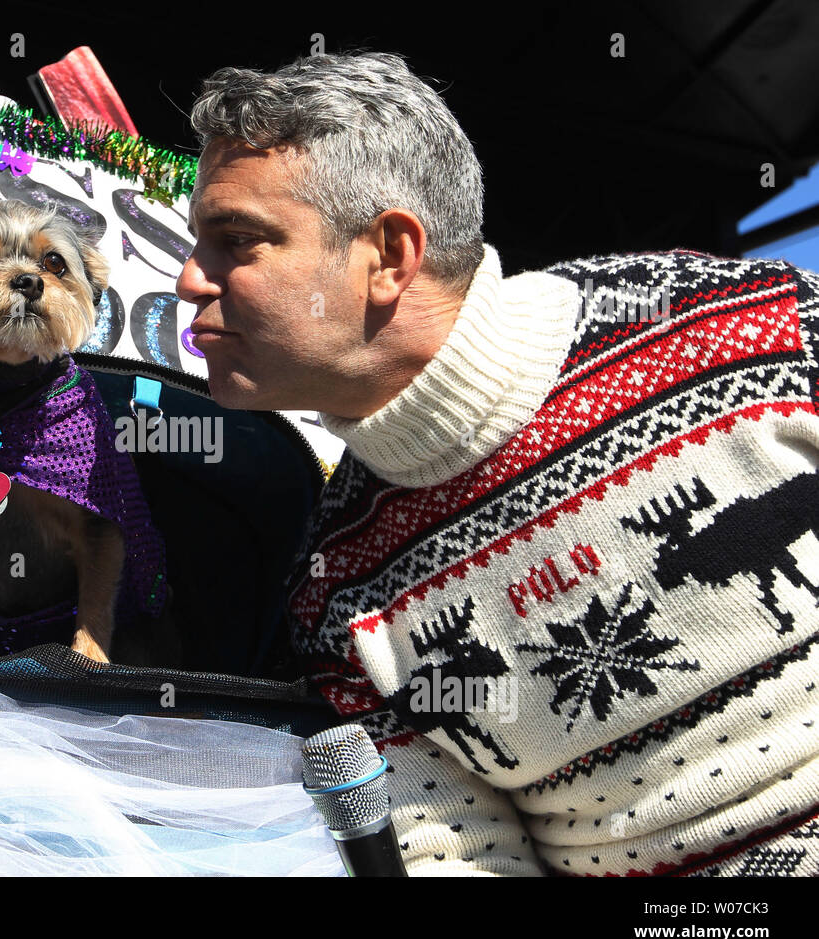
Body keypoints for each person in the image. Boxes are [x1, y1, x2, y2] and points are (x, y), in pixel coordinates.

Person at [176, 50, 819, 876]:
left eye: (236, 241)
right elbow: (457, 859)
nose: (192, 278)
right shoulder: (337, 598)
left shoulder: (753, 327)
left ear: (389, 255)